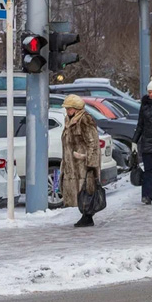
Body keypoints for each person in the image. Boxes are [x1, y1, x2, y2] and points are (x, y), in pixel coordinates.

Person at [60, 94, 101, 228]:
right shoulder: (69, 120)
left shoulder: (85, 120)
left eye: (69, 108)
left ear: (76, 109)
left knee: (87, 189)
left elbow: (93, 142)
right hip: (72, 163)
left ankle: (87, 216)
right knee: (79, 190)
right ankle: (85, 214)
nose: (67, 111)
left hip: (82, 162)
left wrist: (90, 162)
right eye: (67, 108)